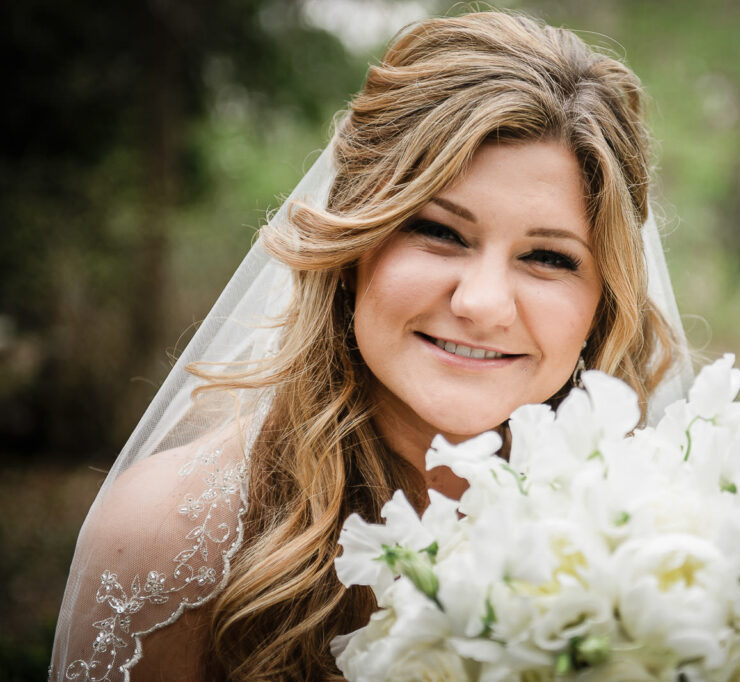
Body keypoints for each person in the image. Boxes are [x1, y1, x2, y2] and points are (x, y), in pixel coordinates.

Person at [50, 10, 691, 681]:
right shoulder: (167, 535)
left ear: (602, 303)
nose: (481, 303)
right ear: (353, 244)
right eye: (440, 232)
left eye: (548, 258)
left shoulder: (663, 542)